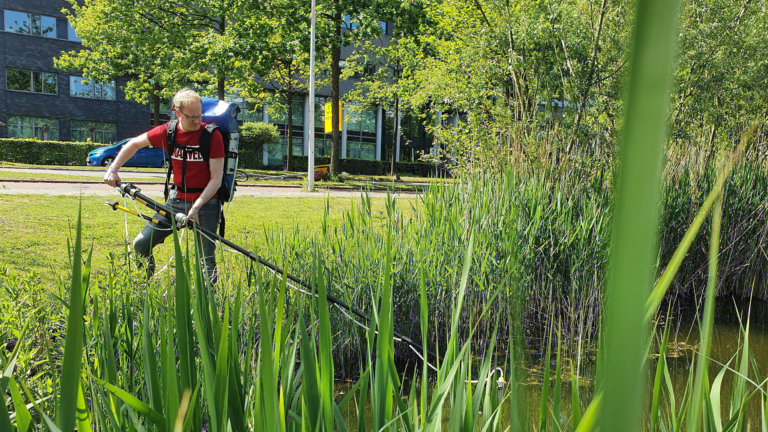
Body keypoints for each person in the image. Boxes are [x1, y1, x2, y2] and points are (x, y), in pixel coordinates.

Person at [103, 88, 224, 283]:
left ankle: (210, 305)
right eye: (191, 116)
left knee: (206, 261)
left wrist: (197, 207)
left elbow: (216, 179)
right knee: (141, 244)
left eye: (199, 115)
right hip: (176, 201)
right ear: (178, 113)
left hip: (207, 203)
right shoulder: (168, 131)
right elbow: (134, 143)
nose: (197, 120)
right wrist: (113, 169)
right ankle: (146, 286)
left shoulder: (211, 136)